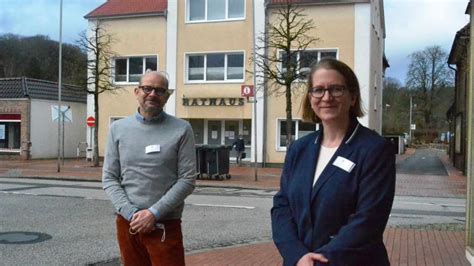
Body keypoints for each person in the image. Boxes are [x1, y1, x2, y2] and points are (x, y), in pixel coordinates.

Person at [271, 58, 395, 266]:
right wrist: (297, 255)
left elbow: (369, 219)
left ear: (352, 96)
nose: (326, 97)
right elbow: (282, 207)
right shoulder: (298, 149)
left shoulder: (374, 149)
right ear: (310, 98)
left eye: (336, 89)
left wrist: (319, 262)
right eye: (318, 90)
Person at [102, 71, 196, 266]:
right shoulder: (118, 129)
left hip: (165, 224)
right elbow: (109, 178)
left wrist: (153, 213)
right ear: (137, 91)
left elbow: (187, 180)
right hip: (129, 224)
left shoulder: (182, 129)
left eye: (160, 90)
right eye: (147, 88)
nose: (153, 94)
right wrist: (132, 214)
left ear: (167, 96)